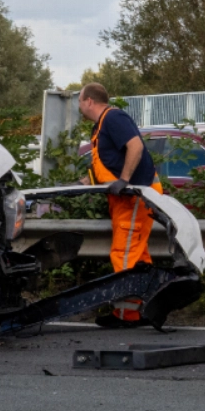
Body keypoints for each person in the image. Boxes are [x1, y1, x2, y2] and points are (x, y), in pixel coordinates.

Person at [77, 82, 161, 327]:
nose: (79, 106)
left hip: (135, 194)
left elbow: (135, 146)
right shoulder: (102, 125)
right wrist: (83, 183)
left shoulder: (113, 118)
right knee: (137, 253)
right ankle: (146, 306)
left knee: (124, 253)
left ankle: (126, 315)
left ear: (89, 101)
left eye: (80, 101)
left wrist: (125, 180)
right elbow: (108, 164)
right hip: (125, 197)